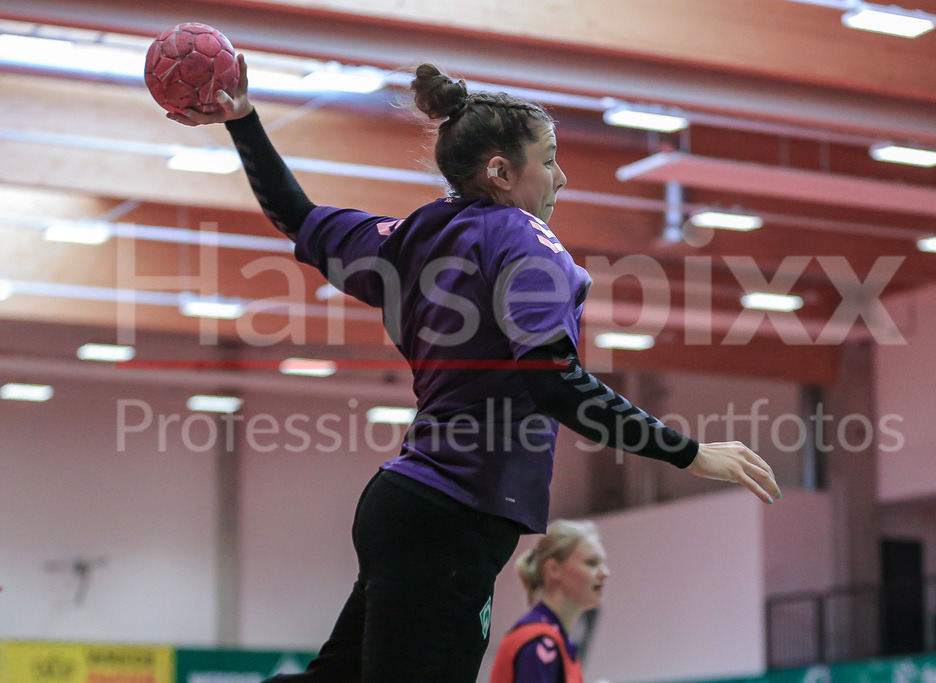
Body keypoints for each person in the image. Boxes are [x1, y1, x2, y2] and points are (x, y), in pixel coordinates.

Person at [168, 56, 781, 682]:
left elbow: (295, 216)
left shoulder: (413, 235)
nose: (561, 177)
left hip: (410, 508)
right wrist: (689, 453)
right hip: (450, 516)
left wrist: (244, 123)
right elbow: (554, 380)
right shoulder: (523, 240)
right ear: (500, 171)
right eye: (548, 160)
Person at [490, 520, 608, 683]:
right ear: (553, 569)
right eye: (591, 563)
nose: (605, 573)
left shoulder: (557, 642)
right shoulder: (540, 643)